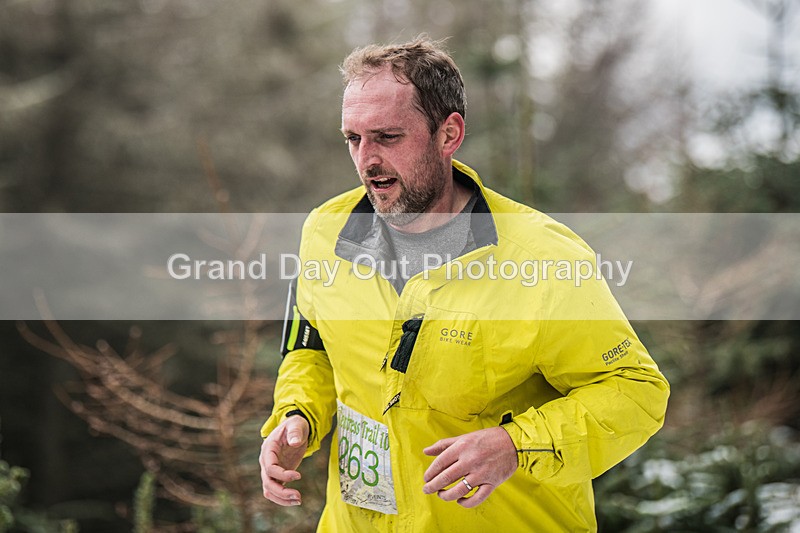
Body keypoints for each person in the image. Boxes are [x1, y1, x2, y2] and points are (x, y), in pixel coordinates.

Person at [259, 37, 669, 532]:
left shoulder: (541, 258)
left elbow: (635, 392)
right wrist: (298, 415)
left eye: (387, 137)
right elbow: (314, 346)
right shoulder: (325, 232)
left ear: (448, 133)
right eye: (353, 138)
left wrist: (518, 444)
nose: (366, 160)